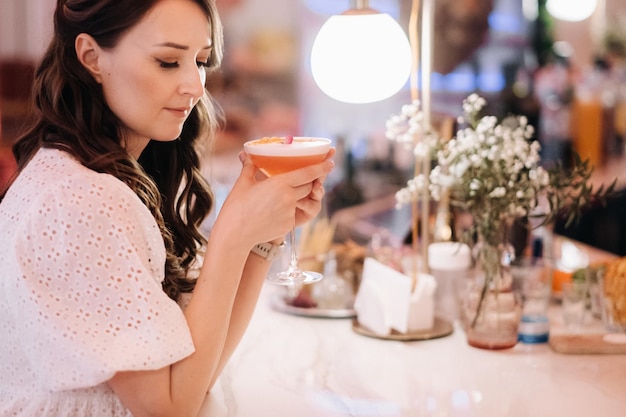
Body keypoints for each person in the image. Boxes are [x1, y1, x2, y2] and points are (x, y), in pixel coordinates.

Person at [0, 0, 334, 416]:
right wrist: (230, 237)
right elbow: (168, 410)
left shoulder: (104, 174)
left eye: (202, 60)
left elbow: (196, 375)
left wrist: (261, 238)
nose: (196, 85)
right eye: (167, 62)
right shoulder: (81, 200)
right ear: (90, 57)